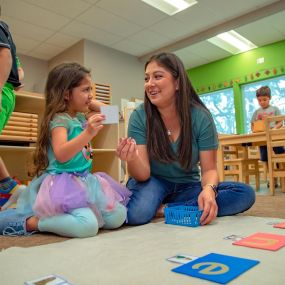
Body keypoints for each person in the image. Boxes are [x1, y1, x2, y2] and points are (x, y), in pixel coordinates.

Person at [116, 52, 255, 226]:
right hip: (152, 182)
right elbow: (142, 175)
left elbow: (209, 170)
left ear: (177, 82)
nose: (150, 84)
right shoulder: (139, 116)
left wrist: (209, 190)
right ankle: (182, 208)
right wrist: (132, 158)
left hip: (187, 186)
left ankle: (164, 209)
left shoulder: (200, 116)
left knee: (244, 194)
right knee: (137, 214)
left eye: (157, 76)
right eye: (146, 78)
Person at [0, 62, 131, 237]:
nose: (90, 95)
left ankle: (72, 217)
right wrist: (88, 132)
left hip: (85, 181)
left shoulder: (78, 116)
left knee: (118, 216)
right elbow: (61, 154)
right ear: (66, 94)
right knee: (87, 227)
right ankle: (34, 222)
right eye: (85, 90)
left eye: (90, 90)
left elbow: (116, 115)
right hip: (62, 185)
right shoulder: (60, 120)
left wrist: (89, 100)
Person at [0, 12, 25, 207]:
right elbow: (20, 76)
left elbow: (5, 55)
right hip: (8, 94)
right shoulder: (6, 32)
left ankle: (8, 188)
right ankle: (8, 187)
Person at [250, 85, 285, 187]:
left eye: (264, 99)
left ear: (269, 98)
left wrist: (274, 129)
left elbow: (280, 122)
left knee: (279, 157)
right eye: (259, 100)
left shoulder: (275, 109)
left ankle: (281, 178)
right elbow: (253, 123)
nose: (262, 102)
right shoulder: (256, 112)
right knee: (266, 159)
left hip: (274, 138)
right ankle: (272, 179)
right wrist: (254, 130)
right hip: (263, 139)